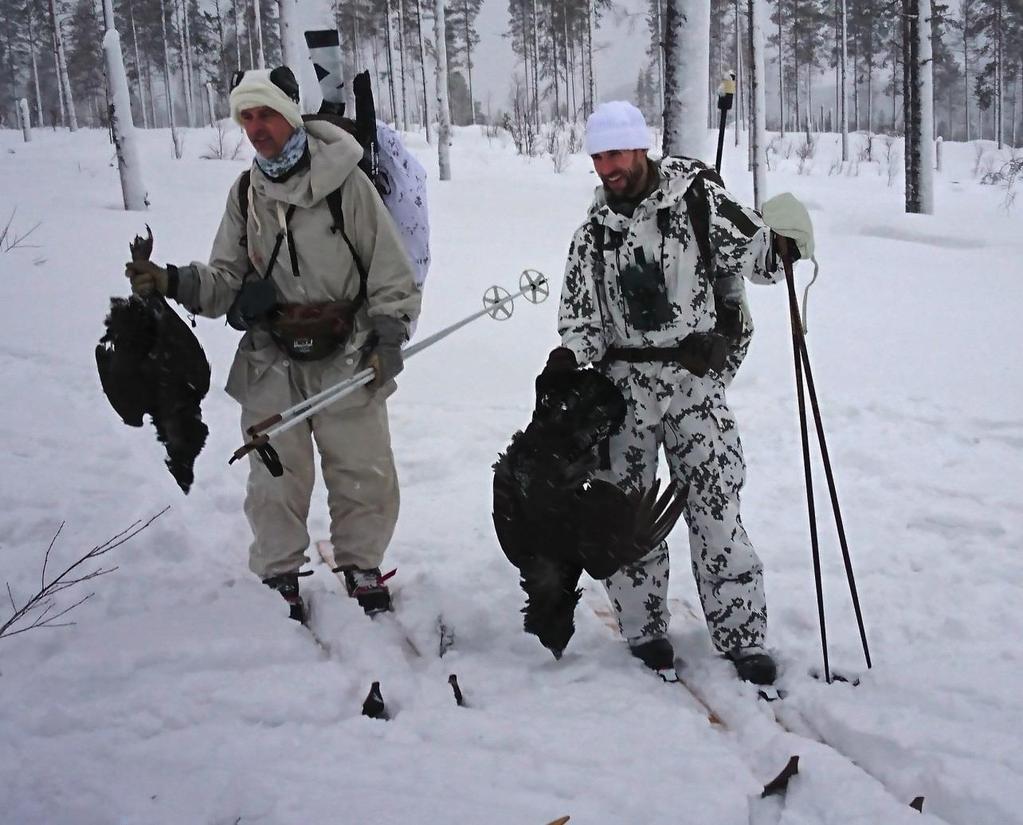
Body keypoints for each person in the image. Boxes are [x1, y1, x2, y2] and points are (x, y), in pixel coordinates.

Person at [126, 67, 421, 621]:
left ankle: (361, 565)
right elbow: (223, 281)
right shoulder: (246, 194)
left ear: (289, 116)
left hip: (348, 351)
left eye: (266, 115)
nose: (257, 128)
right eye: (248, 118)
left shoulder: (348, 184)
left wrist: (388, 338)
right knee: (274, 476)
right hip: (272, 356)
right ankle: (279, 573)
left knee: (363, 470)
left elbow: (390, 272)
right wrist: (171, 281)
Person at [545, 101, 812, 686]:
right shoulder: (592, 234)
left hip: (694, 389)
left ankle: (742, 635)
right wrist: (567, 358)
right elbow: (580, 319)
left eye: (616, 154)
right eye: (598, 158)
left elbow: (756, 254)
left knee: (716, 508)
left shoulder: (697, 201)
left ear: (641, 149)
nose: (607, 168)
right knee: (627, 514)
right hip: (622, 396)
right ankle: (644, 628)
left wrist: (785, 246)